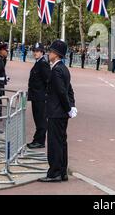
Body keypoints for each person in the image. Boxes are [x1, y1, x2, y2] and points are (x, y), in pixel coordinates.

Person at [38, 40, 77, 183]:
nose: (49, 53)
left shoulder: (56, 70)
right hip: (61, 112)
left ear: (57, 54)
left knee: (54, 143)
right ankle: (62, 171)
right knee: (62, 142)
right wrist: (71, 107)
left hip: (56, 112)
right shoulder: (64, 69)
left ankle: (54, 172)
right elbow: (70, 91)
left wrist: (68, 108)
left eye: (51, 51)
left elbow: (62, 92)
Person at [27, 43, 51, 149]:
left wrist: (46, 95)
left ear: (42, 52)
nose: (35, 53)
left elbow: (48, 81)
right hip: (36, 96)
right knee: (37, 119)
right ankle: (37, 139)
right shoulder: (38, 63)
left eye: (37, 51)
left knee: (41, 120)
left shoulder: (43, 64)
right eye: (34, 51)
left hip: (41, 97)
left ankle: (40, 141)